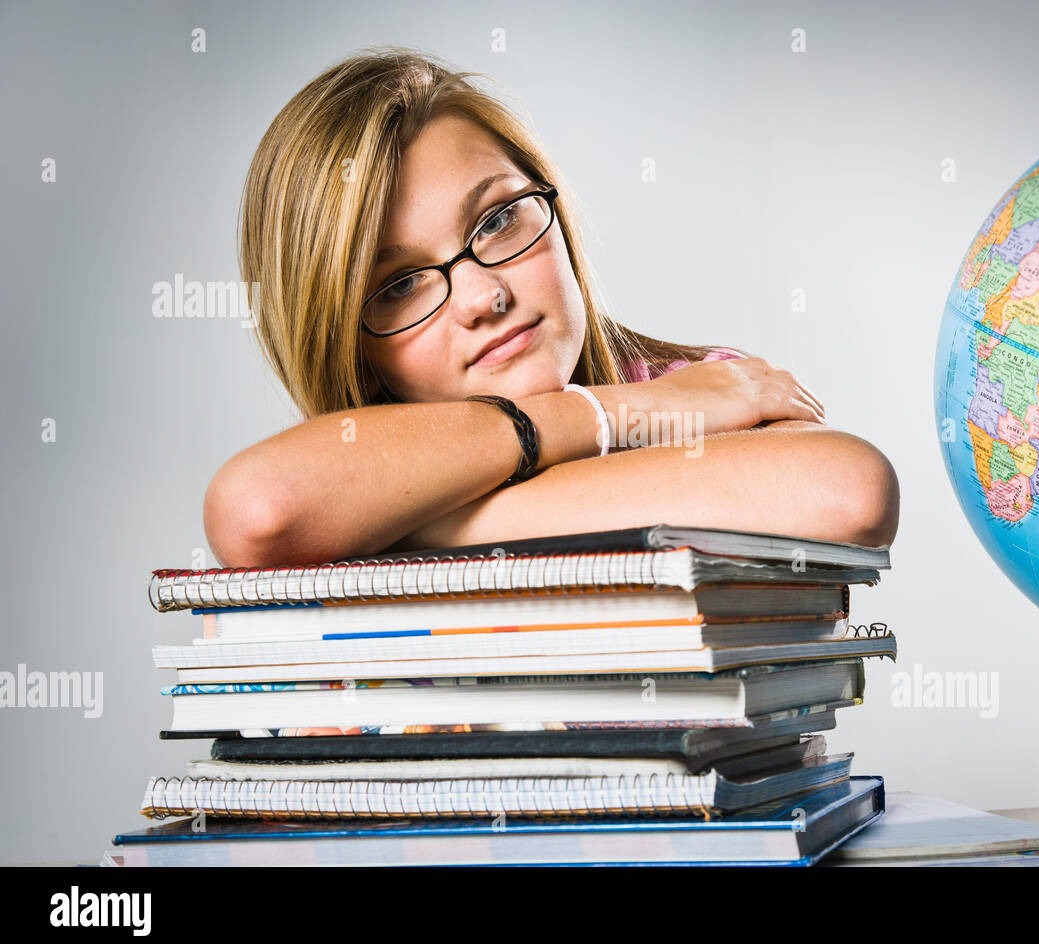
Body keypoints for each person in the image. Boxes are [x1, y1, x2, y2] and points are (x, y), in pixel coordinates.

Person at [205, 46, 899, 568]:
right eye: (399, 286)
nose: (485, 294)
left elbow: (850, 492)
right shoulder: (343, 465)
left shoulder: (708, 391)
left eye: (499, 220)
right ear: (349, 345)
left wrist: (431, 520)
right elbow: (258, 510)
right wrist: (616, 418)